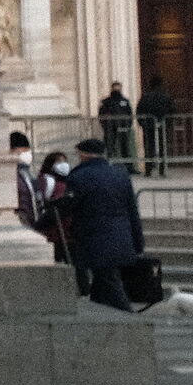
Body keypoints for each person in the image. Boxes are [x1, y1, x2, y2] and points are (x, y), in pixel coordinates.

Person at [66, 135, 145, 311]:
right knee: (101, 285)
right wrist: (138, 242)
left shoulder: (78, 177)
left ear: (83, 155)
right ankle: (100, 316)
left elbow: (68, 208)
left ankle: (130, 318)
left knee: (110, 283)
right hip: (122, 238)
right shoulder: (120, 174)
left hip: (94, 242)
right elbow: (132, 211)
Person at [136, 76, 176, 177]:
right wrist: (168, 123)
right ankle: (162, 170)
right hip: (162, 125)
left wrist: (142, 123)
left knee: (148, 147)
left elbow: (139, 110)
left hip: (148, 125)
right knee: (162, 147)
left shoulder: (145, 97)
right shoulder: (165, 96)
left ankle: (148, 170)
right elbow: (172, 110)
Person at [98, 81, 134, 161]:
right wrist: (105, 126)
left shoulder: (125, 101)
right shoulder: (106, 102)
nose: (117, 90)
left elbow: (129, 114)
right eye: (115, 88)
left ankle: (128, 165)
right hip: (110, 128)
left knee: (125, 148)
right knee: (110, 147)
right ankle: (110, 163)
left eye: (118, 88)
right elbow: (101, 114)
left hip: (123, 127)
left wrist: (128, 125)